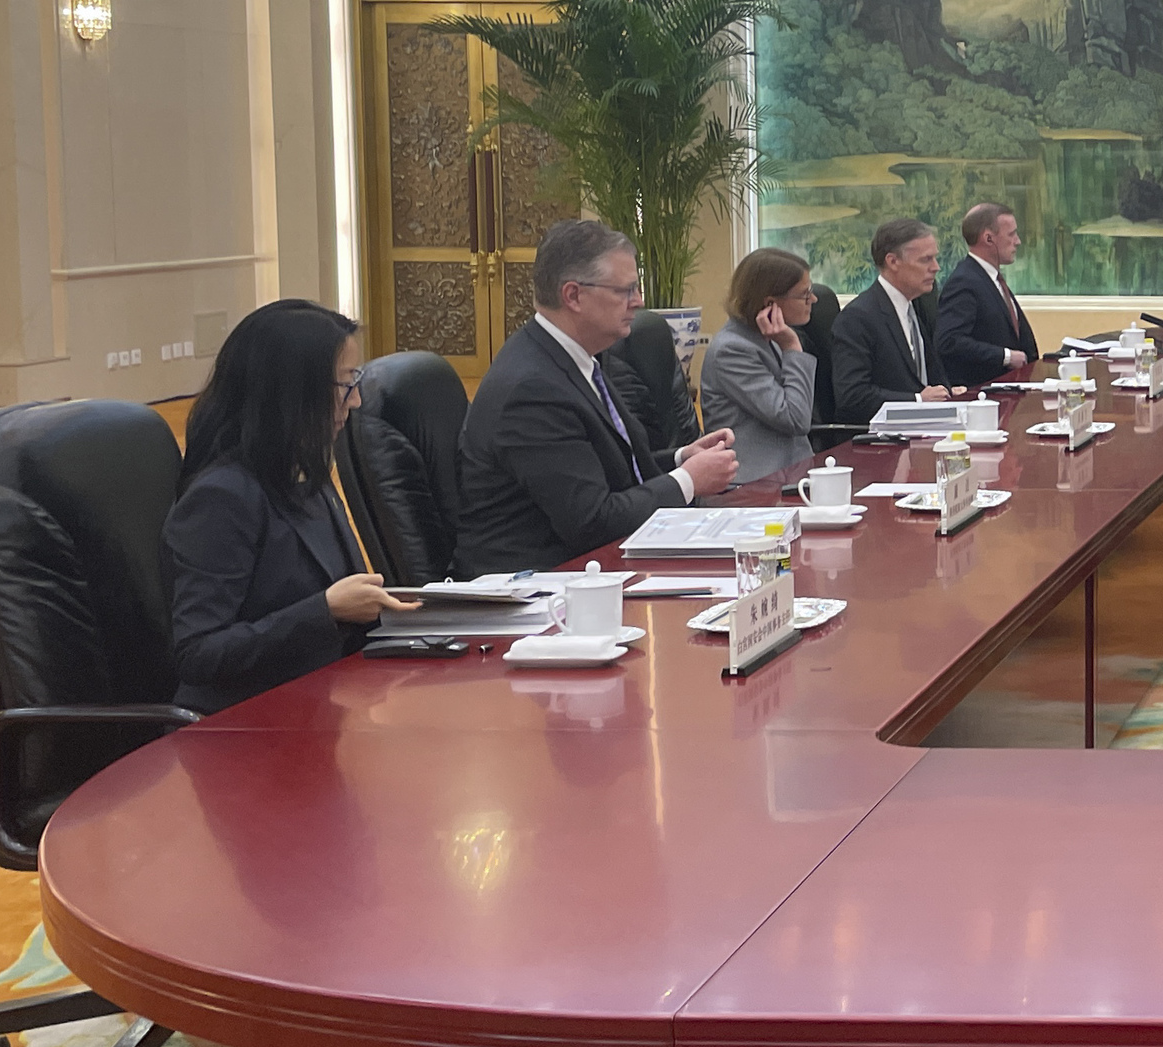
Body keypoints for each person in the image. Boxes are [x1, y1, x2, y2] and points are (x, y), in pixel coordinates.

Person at [165, 299, 419, 713]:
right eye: (344, 385)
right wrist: (326, 611)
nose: (354, 403)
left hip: (317, 702)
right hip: (240, 728)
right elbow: (199, 654)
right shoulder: (222, 498)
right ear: (292, 392)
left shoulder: (306, 474)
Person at [456, 219, 740, 574]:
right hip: (535, 587)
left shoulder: (574, 358)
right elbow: (592, 521)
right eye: (625, 291)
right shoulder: (531, 390)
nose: (638, 303)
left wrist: (683, 458)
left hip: (591, 571)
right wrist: (689, 480)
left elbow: (609, 469)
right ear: (573, 295)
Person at [702, 247, 822, 484]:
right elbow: (795, 419)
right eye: (804, 294)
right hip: (752, 487)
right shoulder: (732, 350)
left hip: (790, 477)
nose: (814, 300)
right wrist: (791, 347)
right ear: (770, 303)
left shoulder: (768, 337)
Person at [831, 216, 957, 424]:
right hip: (882, 442)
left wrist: (948, 391)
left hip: (927, 428)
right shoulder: (857, 318)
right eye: (926, 259)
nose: (936, 267)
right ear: (893, 261)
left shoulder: (917, 304)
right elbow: (853, 397)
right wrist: (918, 400)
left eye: (935, 258)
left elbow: (929, 376)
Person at [935, 201, 1044, 386]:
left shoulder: (991, 278)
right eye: (1011, 234)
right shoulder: (964, 282)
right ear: (988, 239)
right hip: (984, 395)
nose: (1017, 241)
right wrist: (1006, 356)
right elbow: (949, 341)